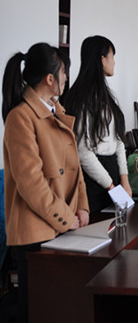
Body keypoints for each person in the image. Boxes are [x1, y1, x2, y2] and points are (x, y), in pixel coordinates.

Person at [2, 43, 89, 323]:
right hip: (35, 230)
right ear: (50, 79)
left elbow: (75, 168)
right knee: (37, 309)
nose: (66, 78)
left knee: (59, 305)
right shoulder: (20, 117)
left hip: (61, 225)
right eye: (63, 72)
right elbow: (31, 184)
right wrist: (66, 217)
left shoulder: (54, 112)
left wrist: (82, 208)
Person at [64, 35, 132, 214]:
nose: (114, 62)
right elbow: (83, 151)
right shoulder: (82, 98)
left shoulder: (105, 96)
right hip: (94, 182)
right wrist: (111, 186)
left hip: (112, 177)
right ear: (102, 60)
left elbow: (118, 140)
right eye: (112, 56)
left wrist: (124, 180)